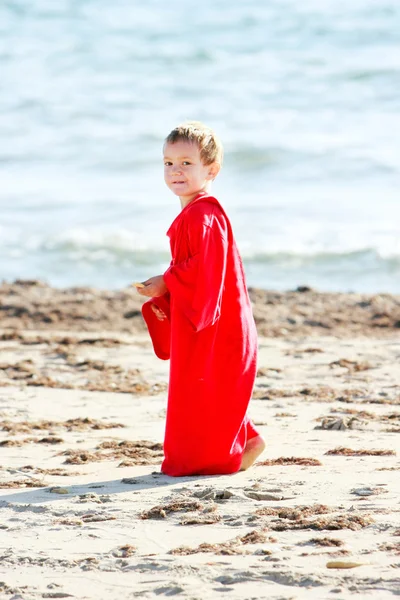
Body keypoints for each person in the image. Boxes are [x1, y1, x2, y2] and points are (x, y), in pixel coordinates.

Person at [135, 121, 265, 476]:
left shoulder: (204, 215)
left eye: (186, 163)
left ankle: (223, 456)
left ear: (212, 169)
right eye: (168, 163)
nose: (176, 170)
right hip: (215, 318)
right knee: (210, 393)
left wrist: (166, 281)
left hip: (218, 325)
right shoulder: (195, 213)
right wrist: (168, 284)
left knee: (202, 393)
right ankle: (247, 441)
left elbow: (205, 269)